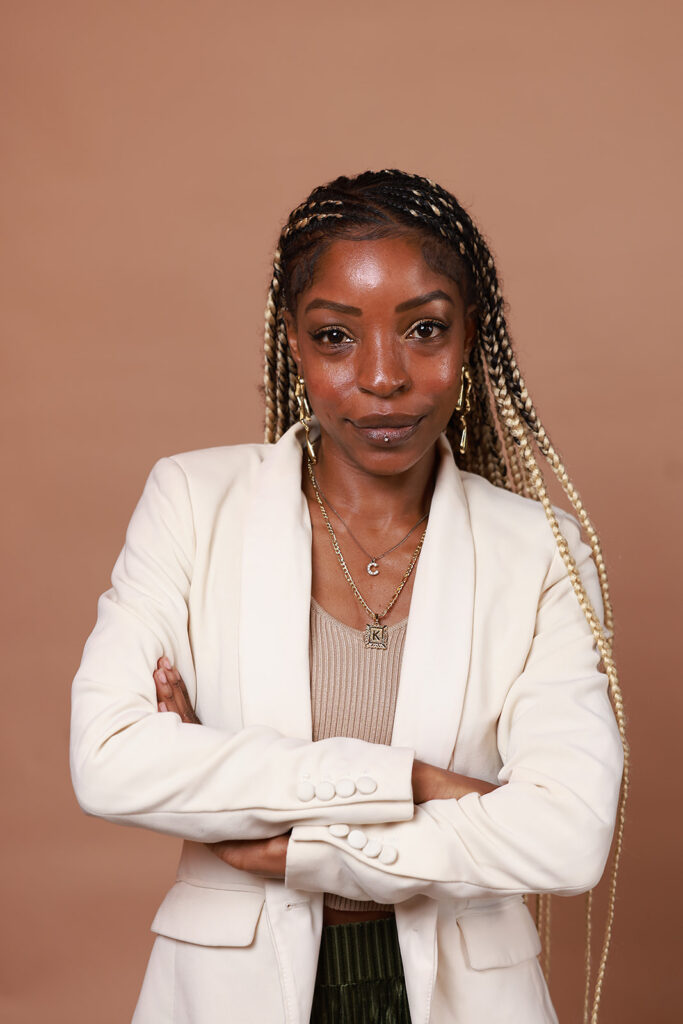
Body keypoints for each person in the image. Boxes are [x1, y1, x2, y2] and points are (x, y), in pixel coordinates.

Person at [69, 169, 627, 1024]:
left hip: (467, 997)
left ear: (470, 335)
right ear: (293, 342)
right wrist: (419, 782)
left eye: (425, 330)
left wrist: (296, 844)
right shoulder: (190, 502)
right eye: (336, 336)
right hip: (227, 991)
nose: (382, 377)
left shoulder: (540, 549)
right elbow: (109, 760)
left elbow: (566, 835)